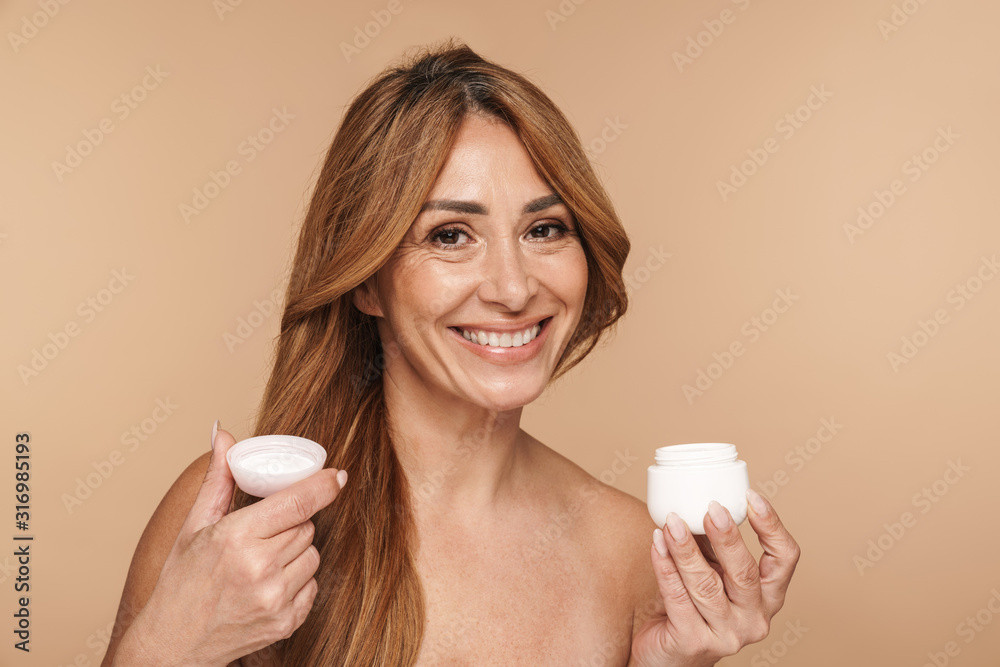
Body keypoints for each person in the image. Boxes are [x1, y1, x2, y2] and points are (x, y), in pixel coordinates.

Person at [102, 39, 800, 667]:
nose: (513, 288)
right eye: (450, 236)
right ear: (367, 281)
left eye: (545, 229)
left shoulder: (630, 550)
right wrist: (172, 645)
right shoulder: (231, 519)